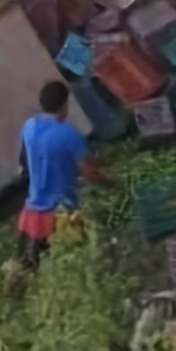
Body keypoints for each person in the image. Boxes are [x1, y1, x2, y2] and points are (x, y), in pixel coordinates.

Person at [18, 81, 108, 269]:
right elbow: (90, 174)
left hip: (32, 216)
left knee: (29, 270)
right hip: (61, 217)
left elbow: (26, 161)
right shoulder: (68, 134)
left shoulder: (29, 127)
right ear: (65, 105)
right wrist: (113, 184)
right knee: (74, 266)